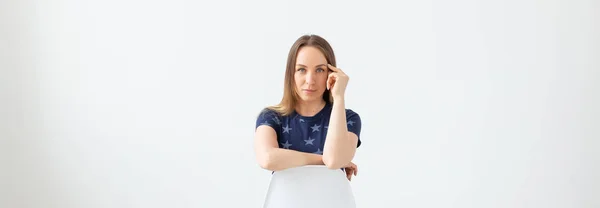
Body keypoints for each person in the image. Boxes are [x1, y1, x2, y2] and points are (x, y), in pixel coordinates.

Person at [254, 34, 362, 182]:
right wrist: (321, 160)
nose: (310, 80)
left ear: (331, 74)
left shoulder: (348, 118)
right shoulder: (271, 117)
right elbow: (266, 158)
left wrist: (339, 97)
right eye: (302, 70)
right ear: (291, 74)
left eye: (319, 70)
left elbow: (334, 161)